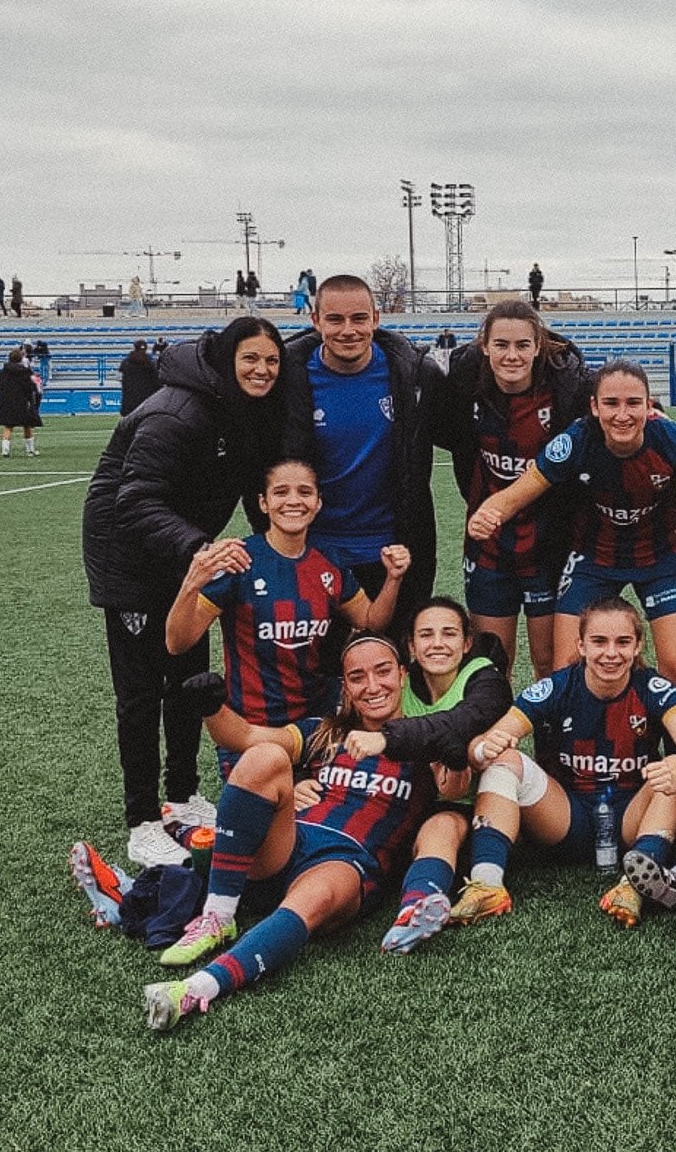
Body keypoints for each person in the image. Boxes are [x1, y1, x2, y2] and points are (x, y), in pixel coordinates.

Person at [139, 635, 472, 1030]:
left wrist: (454, 751)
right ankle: (218, 914)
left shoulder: (421, 739)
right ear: (345, 687)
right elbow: (245, 737)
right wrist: (212, 708)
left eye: (383, 672)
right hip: (288, 845)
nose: (372, 686)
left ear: (402, 675)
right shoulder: (325, 732)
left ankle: (197, 988)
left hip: (346, 862)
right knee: (265, 756)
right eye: (357, 677)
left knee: (316, 894)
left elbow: (455, 788)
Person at [82, 317, 287, 868]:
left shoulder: (241, 408)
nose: (262, 370)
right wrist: (200, 546)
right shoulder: (177, 412)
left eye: (271, 361)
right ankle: (143, 820)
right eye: (250, 359)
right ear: (225, 360)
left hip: (185, 562)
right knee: (143, 693)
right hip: (132, 563)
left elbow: (248, 488)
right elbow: (135, 500)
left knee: (188, 681)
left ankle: (181, 797)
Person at [468, 359, 676, 703]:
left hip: (664, 559)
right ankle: (564, 756)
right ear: (595, 407)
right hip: (593, 558)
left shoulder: (670, 439)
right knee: (567, 666)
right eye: (611, 404)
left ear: (649, 405)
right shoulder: (576, 440)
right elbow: (520, 491)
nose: (623, 415)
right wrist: (489, 511)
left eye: (633, 403)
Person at [457, 596, 676, 929]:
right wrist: (485, 749)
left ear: (638, 646)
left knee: (674, 768)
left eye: (623, 642)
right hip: (566, 816)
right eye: (599, 642)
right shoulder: (556, 687)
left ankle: (634, 883)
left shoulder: (654, 688)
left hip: (630, 821)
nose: (611, 653)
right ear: (580, 645)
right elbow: (484, 744)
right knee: (504, 760)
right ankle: (488, 884)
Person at [164, 458, 409, 741]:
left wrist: (393, 579)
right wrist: (192, 583)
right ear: (263, 503)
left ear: (318, 503)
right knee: (272, 777)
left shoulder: (329, 561)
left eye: (305, 492)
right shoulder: (240, 559)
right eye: (281, 492)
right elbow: (177, 643)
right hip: (251, 725)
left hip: (317, 720)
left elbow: (370, 621)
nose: (293, 501)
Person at [432, 300, 592, 679]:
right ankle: (495, 740)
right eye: (501, 345)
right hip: (489, 544)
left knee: (551, 663)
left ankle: (552, 740)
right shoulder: (463, 385)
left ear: (538, 346)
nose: (512, 355)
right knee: (490, 663)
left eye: (522, 345)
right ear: (484, 346)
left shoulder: (568, 387)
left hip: (550, 542)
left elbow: (625, 403)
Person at [281, 274, 437, 628]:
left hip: (392, 553)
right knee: (315, 673)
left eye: (359, 318)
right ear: (315, 321)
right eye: (335, 320)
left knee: (389, 669)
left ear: (376, 319)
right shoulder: (289, 380)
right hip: (314, 549)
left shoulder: (415, 375)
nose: (347, 330)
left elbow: (463, 434)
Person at [370, 596, 518, 950]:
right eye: (426, 635)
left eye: (449, 634)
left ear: (466, 643)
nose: (437, 644)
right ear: (411, 645)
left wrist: (406, 737)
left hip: (472, 807)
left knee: (446, 821)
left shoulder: (485, 679)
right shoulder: (397, 683)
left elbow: (465, 721)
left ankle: (419, 909)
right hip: (406, 804)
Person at [0, 346, 40, 457]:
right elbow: (29, 387)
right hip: (22, 402)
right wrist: (32, 400)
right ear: (20, 359)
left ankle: (5, 451)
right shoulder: (25, 372)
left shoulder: (2, 372)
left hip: (6, 402)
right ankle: (30, 450)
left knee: (8, 426)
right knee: (27, 425)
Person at [118, 340, 160, 415]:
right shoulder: (151, 364)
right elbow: (157, 382)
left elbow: (122, 380)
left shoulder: (126, 363)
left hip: (130, 402)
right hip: (146, 401)